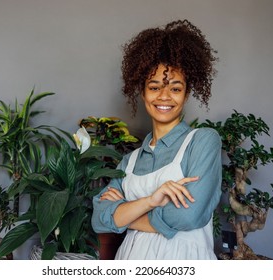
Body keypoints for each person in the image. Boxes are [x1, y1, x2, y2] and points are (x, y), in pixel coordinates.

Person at [91, 19, 222, 260]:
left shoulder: (202, 141)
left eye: (175, 88)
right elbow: (99, 219)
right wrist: (152, 199)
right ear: (142, 92)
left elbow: (189, 216)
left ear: (186, 93)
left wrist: (124, 217)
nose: (164, 97)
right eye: (154, 87)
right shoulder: (129, 162)